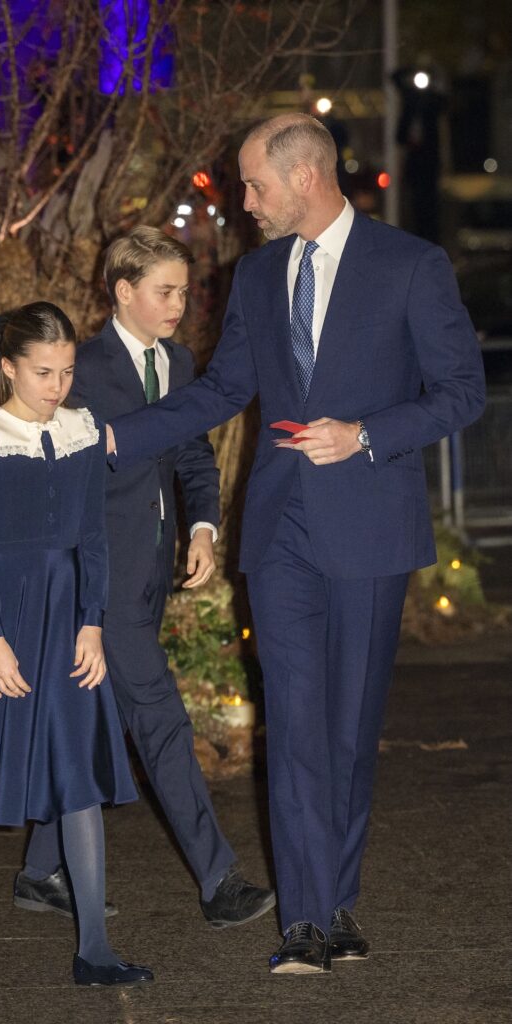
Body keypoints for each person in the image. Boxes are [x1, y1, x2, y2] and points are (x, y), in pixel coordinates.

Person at [105, 114, 485, 974]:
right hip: (278, 533)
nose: (244, 204)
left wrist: (366, 434)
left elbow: (461, 394)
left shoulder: (410, 266)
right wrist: (117, 436)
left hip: (369, 527)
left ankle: (337, 901)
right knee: (295, 724)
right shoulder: (257, 272)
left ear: (305, 178)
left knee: (349, 730)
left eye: (254, 186)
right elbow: (224, 388)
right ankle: (303, 921)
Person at [15, 228, 275, 928]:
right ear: (122, 291)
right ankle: (219, 880)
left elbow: (192, 454)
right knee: (159, 720)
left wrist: (201, 527)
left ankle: (39, 870)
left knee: (94, 717)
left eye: (184, 292)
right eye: (165, 291)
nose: (179, 305)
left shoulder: (182, 361)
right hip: (95, 583)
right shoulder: (80, 368)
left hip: (149, 574)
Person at [0, 302, 151, 988]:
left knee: (76, 776)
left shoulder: (82, 429)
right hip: (4, 623)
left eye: (67, 370)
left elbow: (92, 536)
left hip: (68, 618)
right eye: (43, 372)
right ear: (9, 367)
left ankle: (95, 946)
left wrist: (92, 621)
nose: (57, 384)